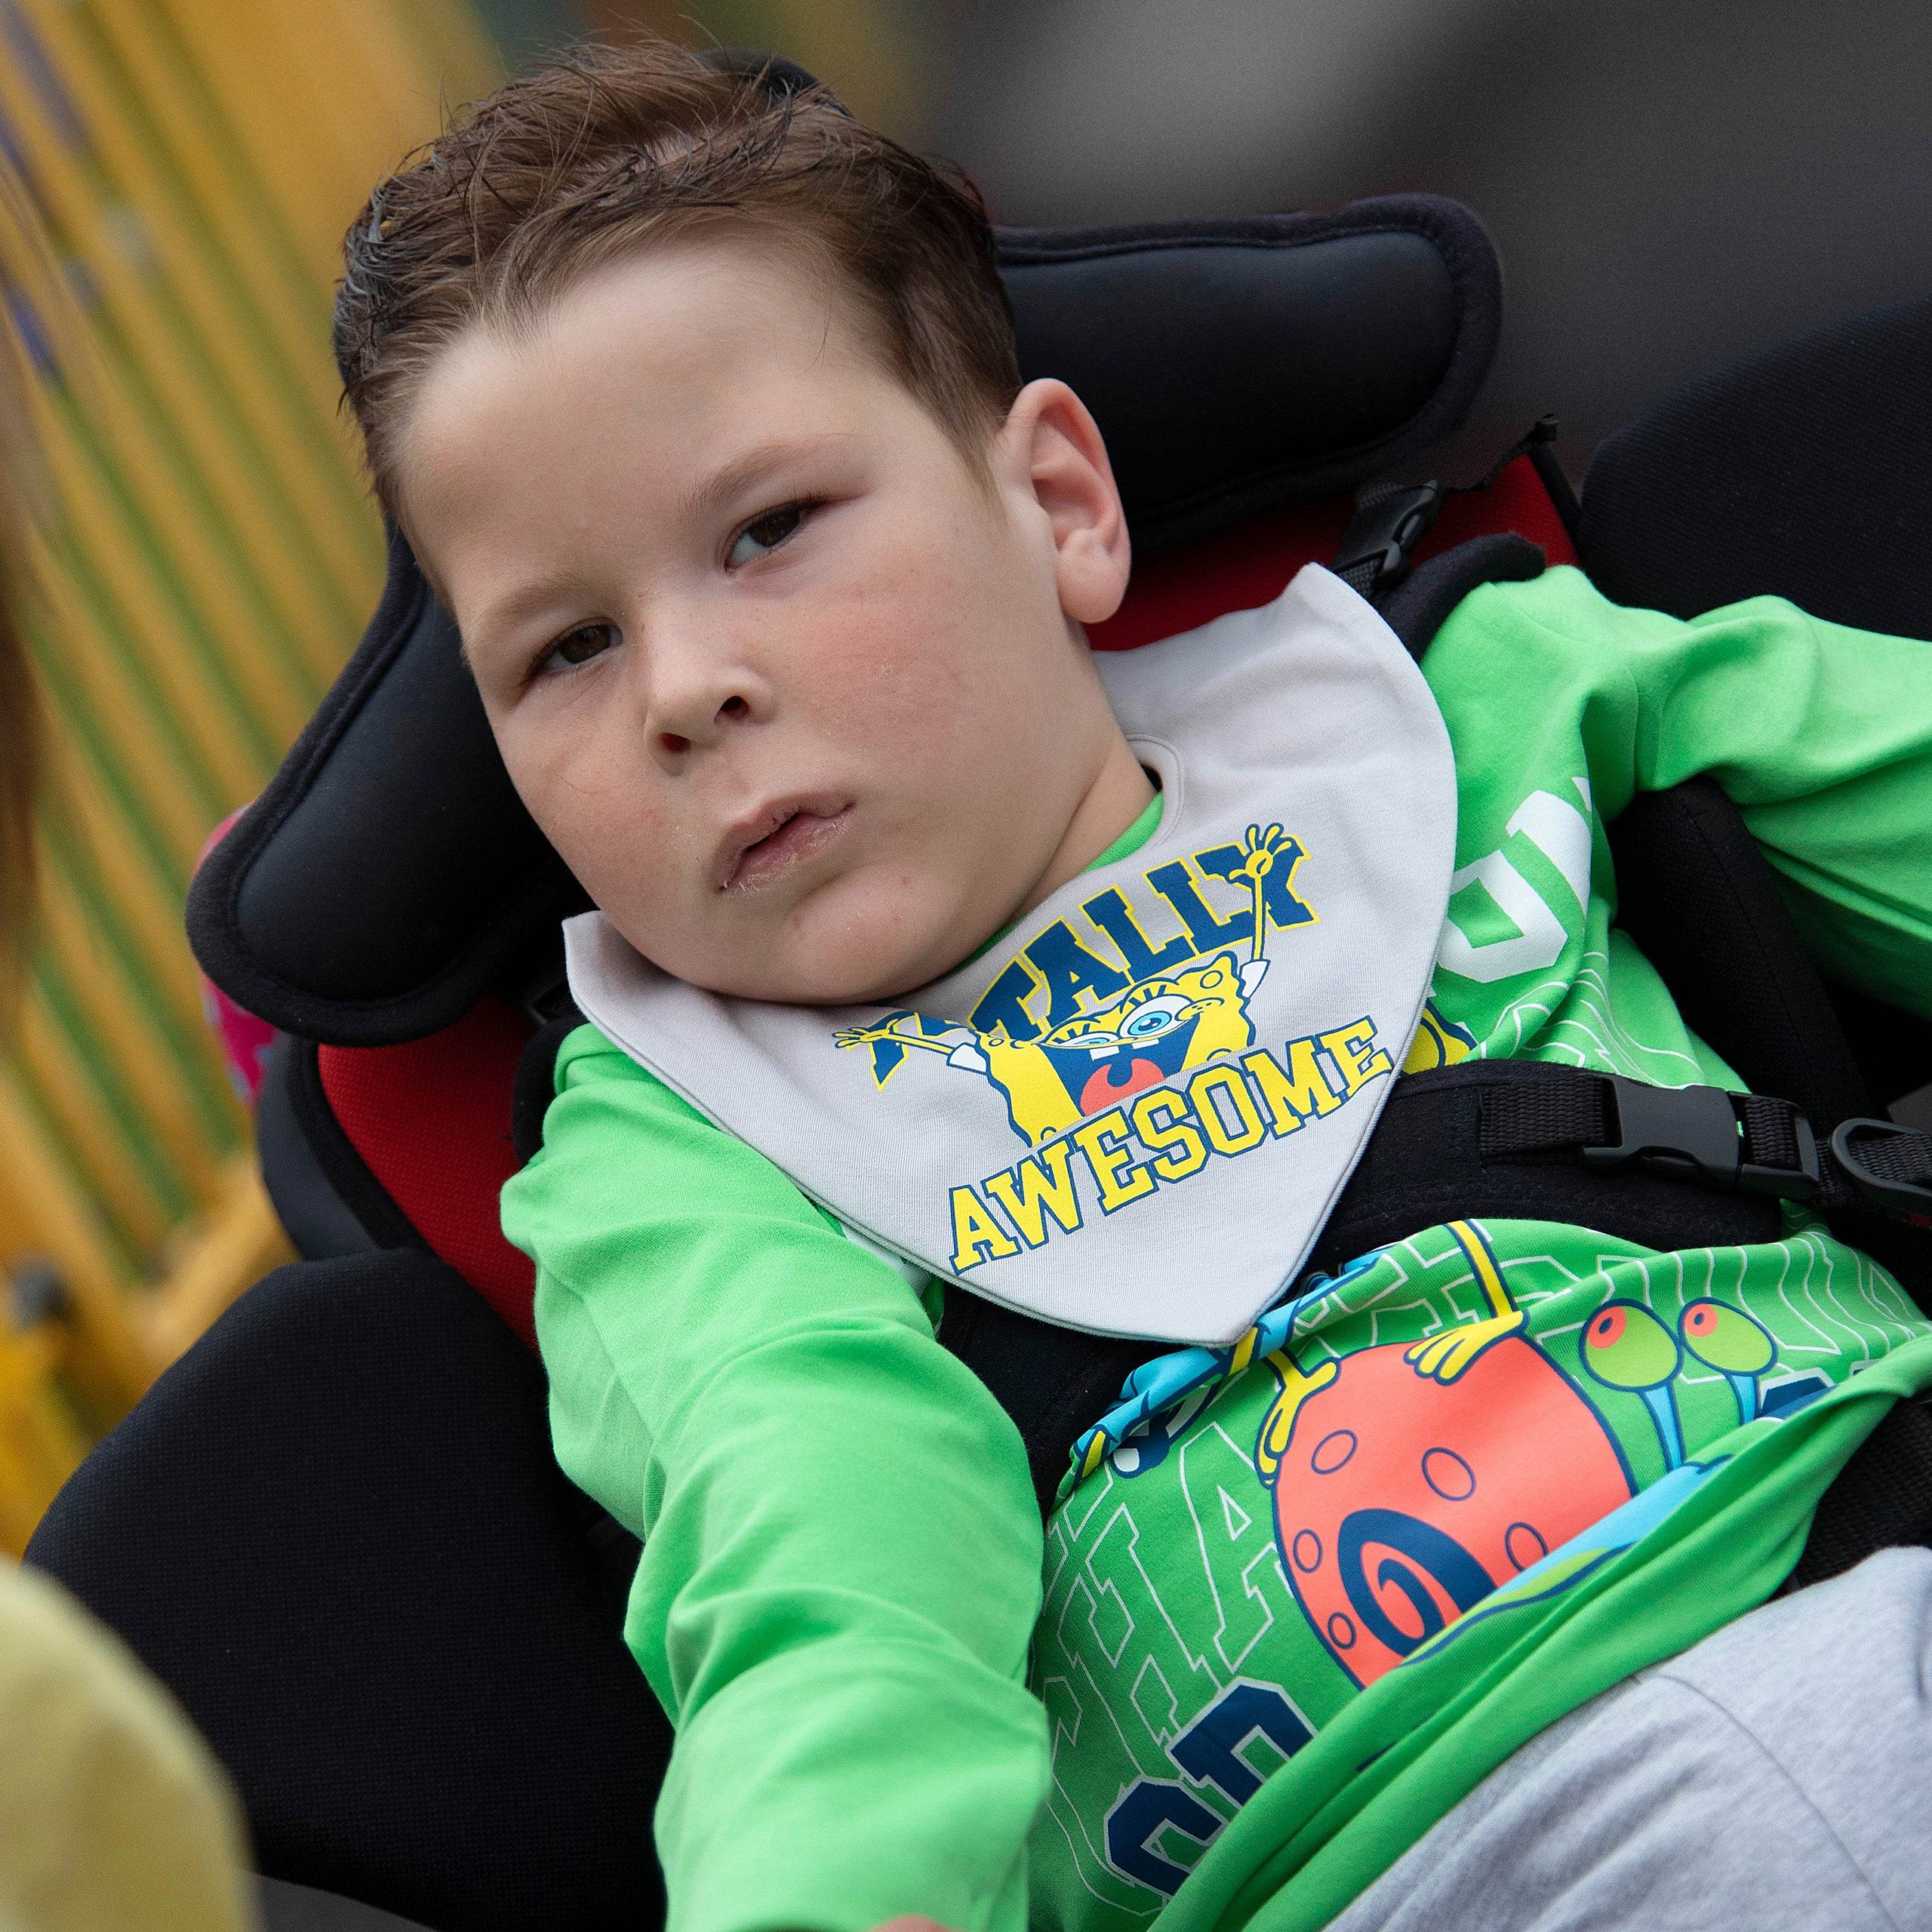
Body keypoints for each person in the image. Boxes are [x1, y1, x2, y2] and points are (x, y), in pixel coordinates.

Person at [330, 39, 1932, 1932]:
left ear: (1057, 501)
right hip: (1378, 1873)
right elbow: (822, 1542)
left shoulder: (1466, 693)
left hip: (1855, 1573)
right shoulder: (671, 1137)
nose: (684, 687)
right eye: (565, 649)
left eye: (767, 531)